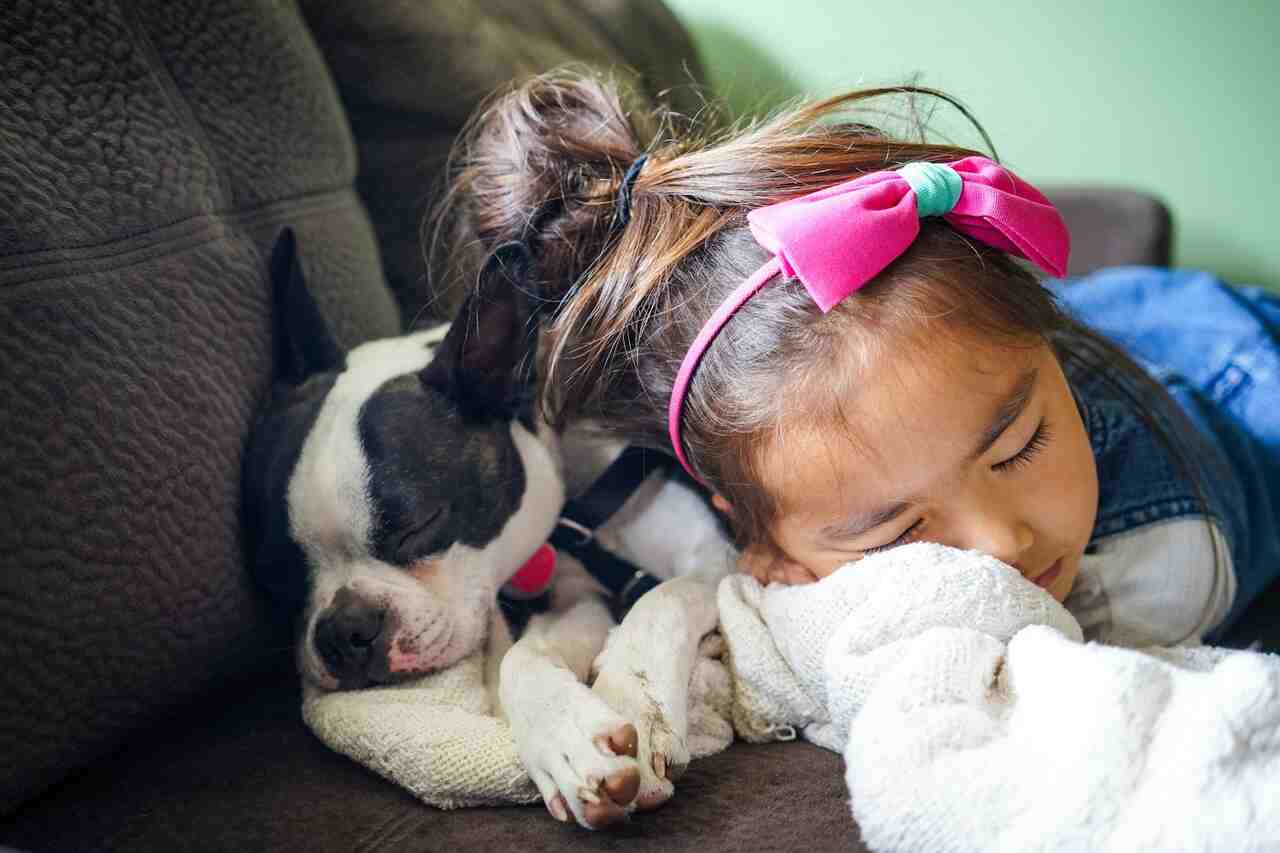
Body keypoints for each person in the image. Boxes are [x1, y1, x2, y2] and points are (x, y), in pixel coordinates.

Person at [433, 69, 1280, 648]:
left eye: (1020, 444)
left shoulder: (1168, 565)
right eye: (897, 531)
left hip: (1226, 357)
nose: (1004, 540)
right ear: (762, 545)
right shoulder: (738, 468)